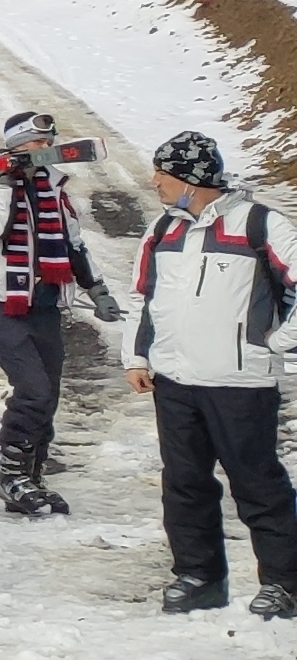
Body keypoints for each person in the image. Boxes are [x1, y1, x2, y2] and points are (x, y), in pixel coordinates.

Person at [122, 131, 297, 618]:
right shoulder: (162, 231)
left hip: (240, 384)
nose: (154, 180)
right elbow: (143, 298)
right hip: (175, 382)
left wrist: (278, 342)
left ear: (192, 180)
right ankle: (198, 577)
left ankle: (285, 584)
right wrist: (138, 358)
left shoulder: (259, 225)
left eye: (164, 173)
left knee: (258, 486)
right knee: (184, 484)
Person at [0, 108, 120, 517]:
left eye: (48, 144)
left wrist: (97, 288)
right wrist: (2, 180)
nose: (45, 151)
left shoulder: (53, 189)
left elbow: (73, 242)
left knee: (50, 391)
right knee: (33, 389)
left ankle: (32, 471)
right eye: (37, 144)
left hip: (44, 300)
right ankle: (11, 473)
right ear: (18, 146)